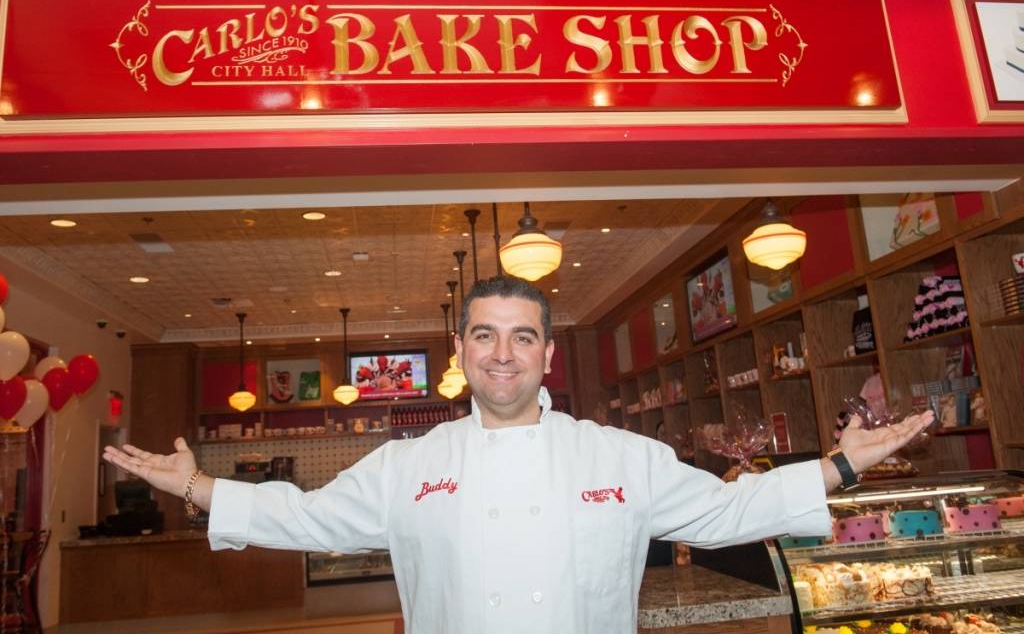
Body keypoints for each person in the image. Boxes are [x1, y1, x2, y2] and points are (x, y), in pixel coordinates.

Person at [104, 276, 933, 634]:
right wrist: (202, 485)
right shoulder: (407, 465)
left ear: (547, 357)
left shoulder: (619, 456)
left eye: (523, 336)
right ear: (460, 350)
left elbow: (727, 513)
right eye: (486, 336)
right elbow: (312, 519)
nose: (504, 354)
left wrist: (841, 465)